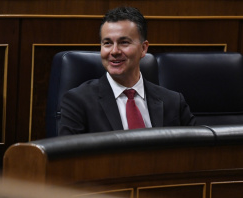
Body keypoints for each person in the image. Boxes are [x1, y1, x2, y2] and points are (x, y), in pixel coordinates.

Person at [59, 6, 196, 135]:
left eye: (124, 42)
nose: (114, 51)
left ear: (143, 48)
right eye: (107, 43)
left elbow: (199, 151)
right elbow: (69, 159)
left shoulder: (173, 102)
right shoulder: (78, 102)